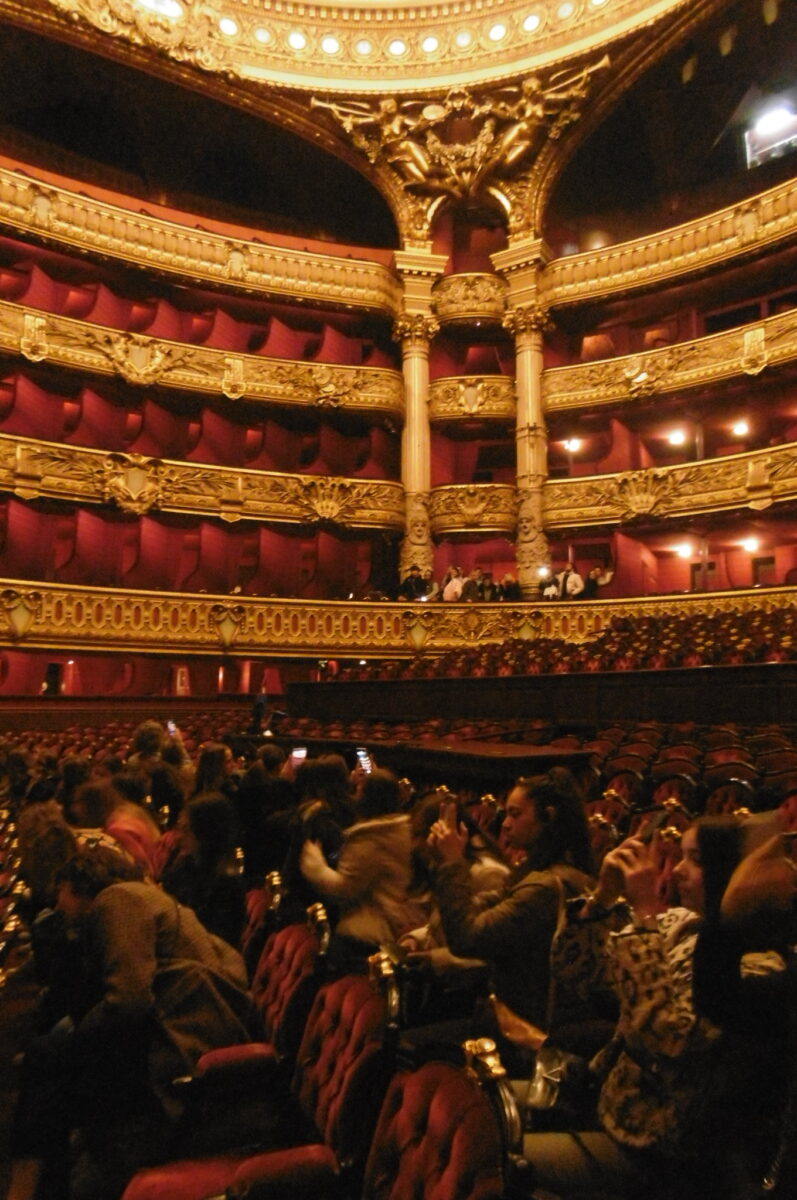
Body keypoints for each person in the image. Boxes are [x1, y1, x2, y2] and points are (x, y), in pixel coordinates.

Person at [519, 817, 752, 1199]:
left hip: (654, 1150)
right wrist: (603, 897)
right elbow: (578, 970)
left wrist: (645, 911)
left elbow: (665, 1040)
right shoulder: (681, 923)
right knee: (482, 1108)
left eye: (695, 859)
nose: (676, 869)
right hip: (603, 1100)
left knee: (493, 1154)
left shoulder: (749, 961)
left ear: (732, 870)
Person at [7, 847, 256, 1200]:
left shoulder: (117, 900)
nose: (58, 908)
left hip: (177, 1053)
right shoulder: (149, 896)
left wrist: (77, 1038)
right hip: (195, 1038)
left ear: (79, 886)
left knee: (46, 1060)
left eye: (59, 893)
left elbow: (128, 1001)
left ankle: (25, 1187)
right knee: (51, 1065)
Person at [427, 769, 594, 1031]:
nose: (504, 823)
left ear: (548, 817)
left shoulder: (545, 888)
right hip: (506, 1014)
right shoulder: (532, 870)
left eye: (516, 814)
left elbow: (467, 938)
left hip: (524, 1032)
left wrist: (452, 863)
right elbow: (477, 910)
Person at [300, 768, 412, 972]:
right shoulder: (397, 829)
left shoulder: (372, 837)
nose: (354, 795)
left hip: (366, 932)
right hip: (388, 924)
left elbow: (344, 889)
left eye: (360, 790)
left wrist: (315, 865)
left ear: (369, 798)